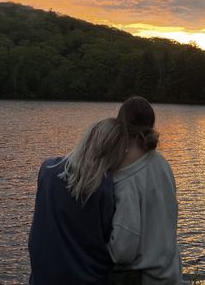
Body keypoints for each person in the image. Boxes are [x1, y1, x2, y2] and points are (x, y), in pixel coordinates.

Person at [28, 117, 128, 285]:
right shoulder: (105, 187)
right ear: (115, 153)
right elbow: (110, 237)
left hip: (43, 277)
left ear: (88, 137)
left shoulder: (47, 170)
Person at [108, 96, 182, 285]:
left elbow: (122, 251)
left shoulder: (125, 177)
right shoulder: (162, 165)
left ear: (120, 125)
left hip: (145, 280)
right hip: (171, 274)